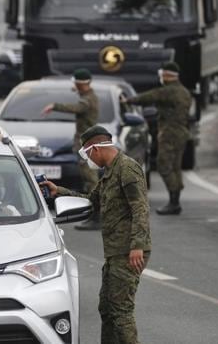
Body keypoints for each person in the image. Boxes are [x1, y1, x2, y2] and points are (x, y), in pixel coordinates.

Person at [40, 125, 151, 344]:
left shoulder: (127, 169)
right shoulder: (110, 173)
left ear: (96, 149)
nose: (88, 160)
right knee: (107, 308)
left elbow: (140, 208)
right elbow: (91, 200)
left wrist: (137, 246)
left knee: (121, 311)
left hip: (128, 250)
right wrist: (59, 191)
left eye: (87, 153)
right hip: (115, 251)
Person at [123, 61, 192, 215]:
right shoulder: (184, 91)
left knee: (164, 165)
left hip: (169, 133)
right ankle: (175, 200)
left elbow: (150, 96)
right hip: (181, 132)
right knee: (175, 166)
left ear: (167, 75)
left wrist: (128, 100)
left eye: (162, 74)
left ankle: (174, 201)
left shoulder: (169, 91)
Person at [41, 68, 100, 230]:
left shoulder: (88, 99)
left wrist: (55, 106)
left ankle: (97, 216)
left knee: (91, 181)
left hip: (87, 145)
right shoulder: (87, 96)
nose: (74, 86)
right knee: (88, 180)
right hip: (85, 144)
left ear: (81, 84)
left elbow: (78, 108)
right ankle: (94, 214)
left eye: (75, 83)